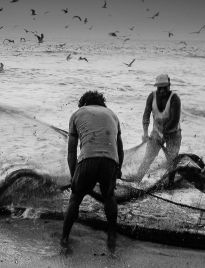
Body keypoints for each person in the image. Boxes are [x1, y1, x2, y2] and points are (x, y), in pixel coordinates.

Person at [61, 90, 124, 248]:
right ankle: (111, 236)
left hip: (87, 159)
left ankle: (64, 238)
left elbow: (71, 152)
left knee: (75, 198)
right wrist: (118, 170)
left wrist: (73, 176)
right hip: (110, 160)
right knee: (109, 197)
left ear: (83, 103)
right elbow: (120, 149)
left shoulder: (77, 114)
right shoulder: (113, 115)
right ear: (101, 103)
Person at [131, 74, 181, 184]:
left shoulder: (175, 99)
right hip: (156, 133)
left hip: (173, 134)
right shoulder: (151, 97)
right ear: (156, 87)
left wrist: (163, 134)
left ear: (169, 86)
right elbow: (146, 116)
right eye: (160, 88)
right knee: (147, 159)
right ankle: (136, 182)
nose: (162, 91)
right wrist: (145, 133)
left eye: (165, 88)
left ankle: (170, 185)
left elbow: (174, 120)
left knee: (172, 161)